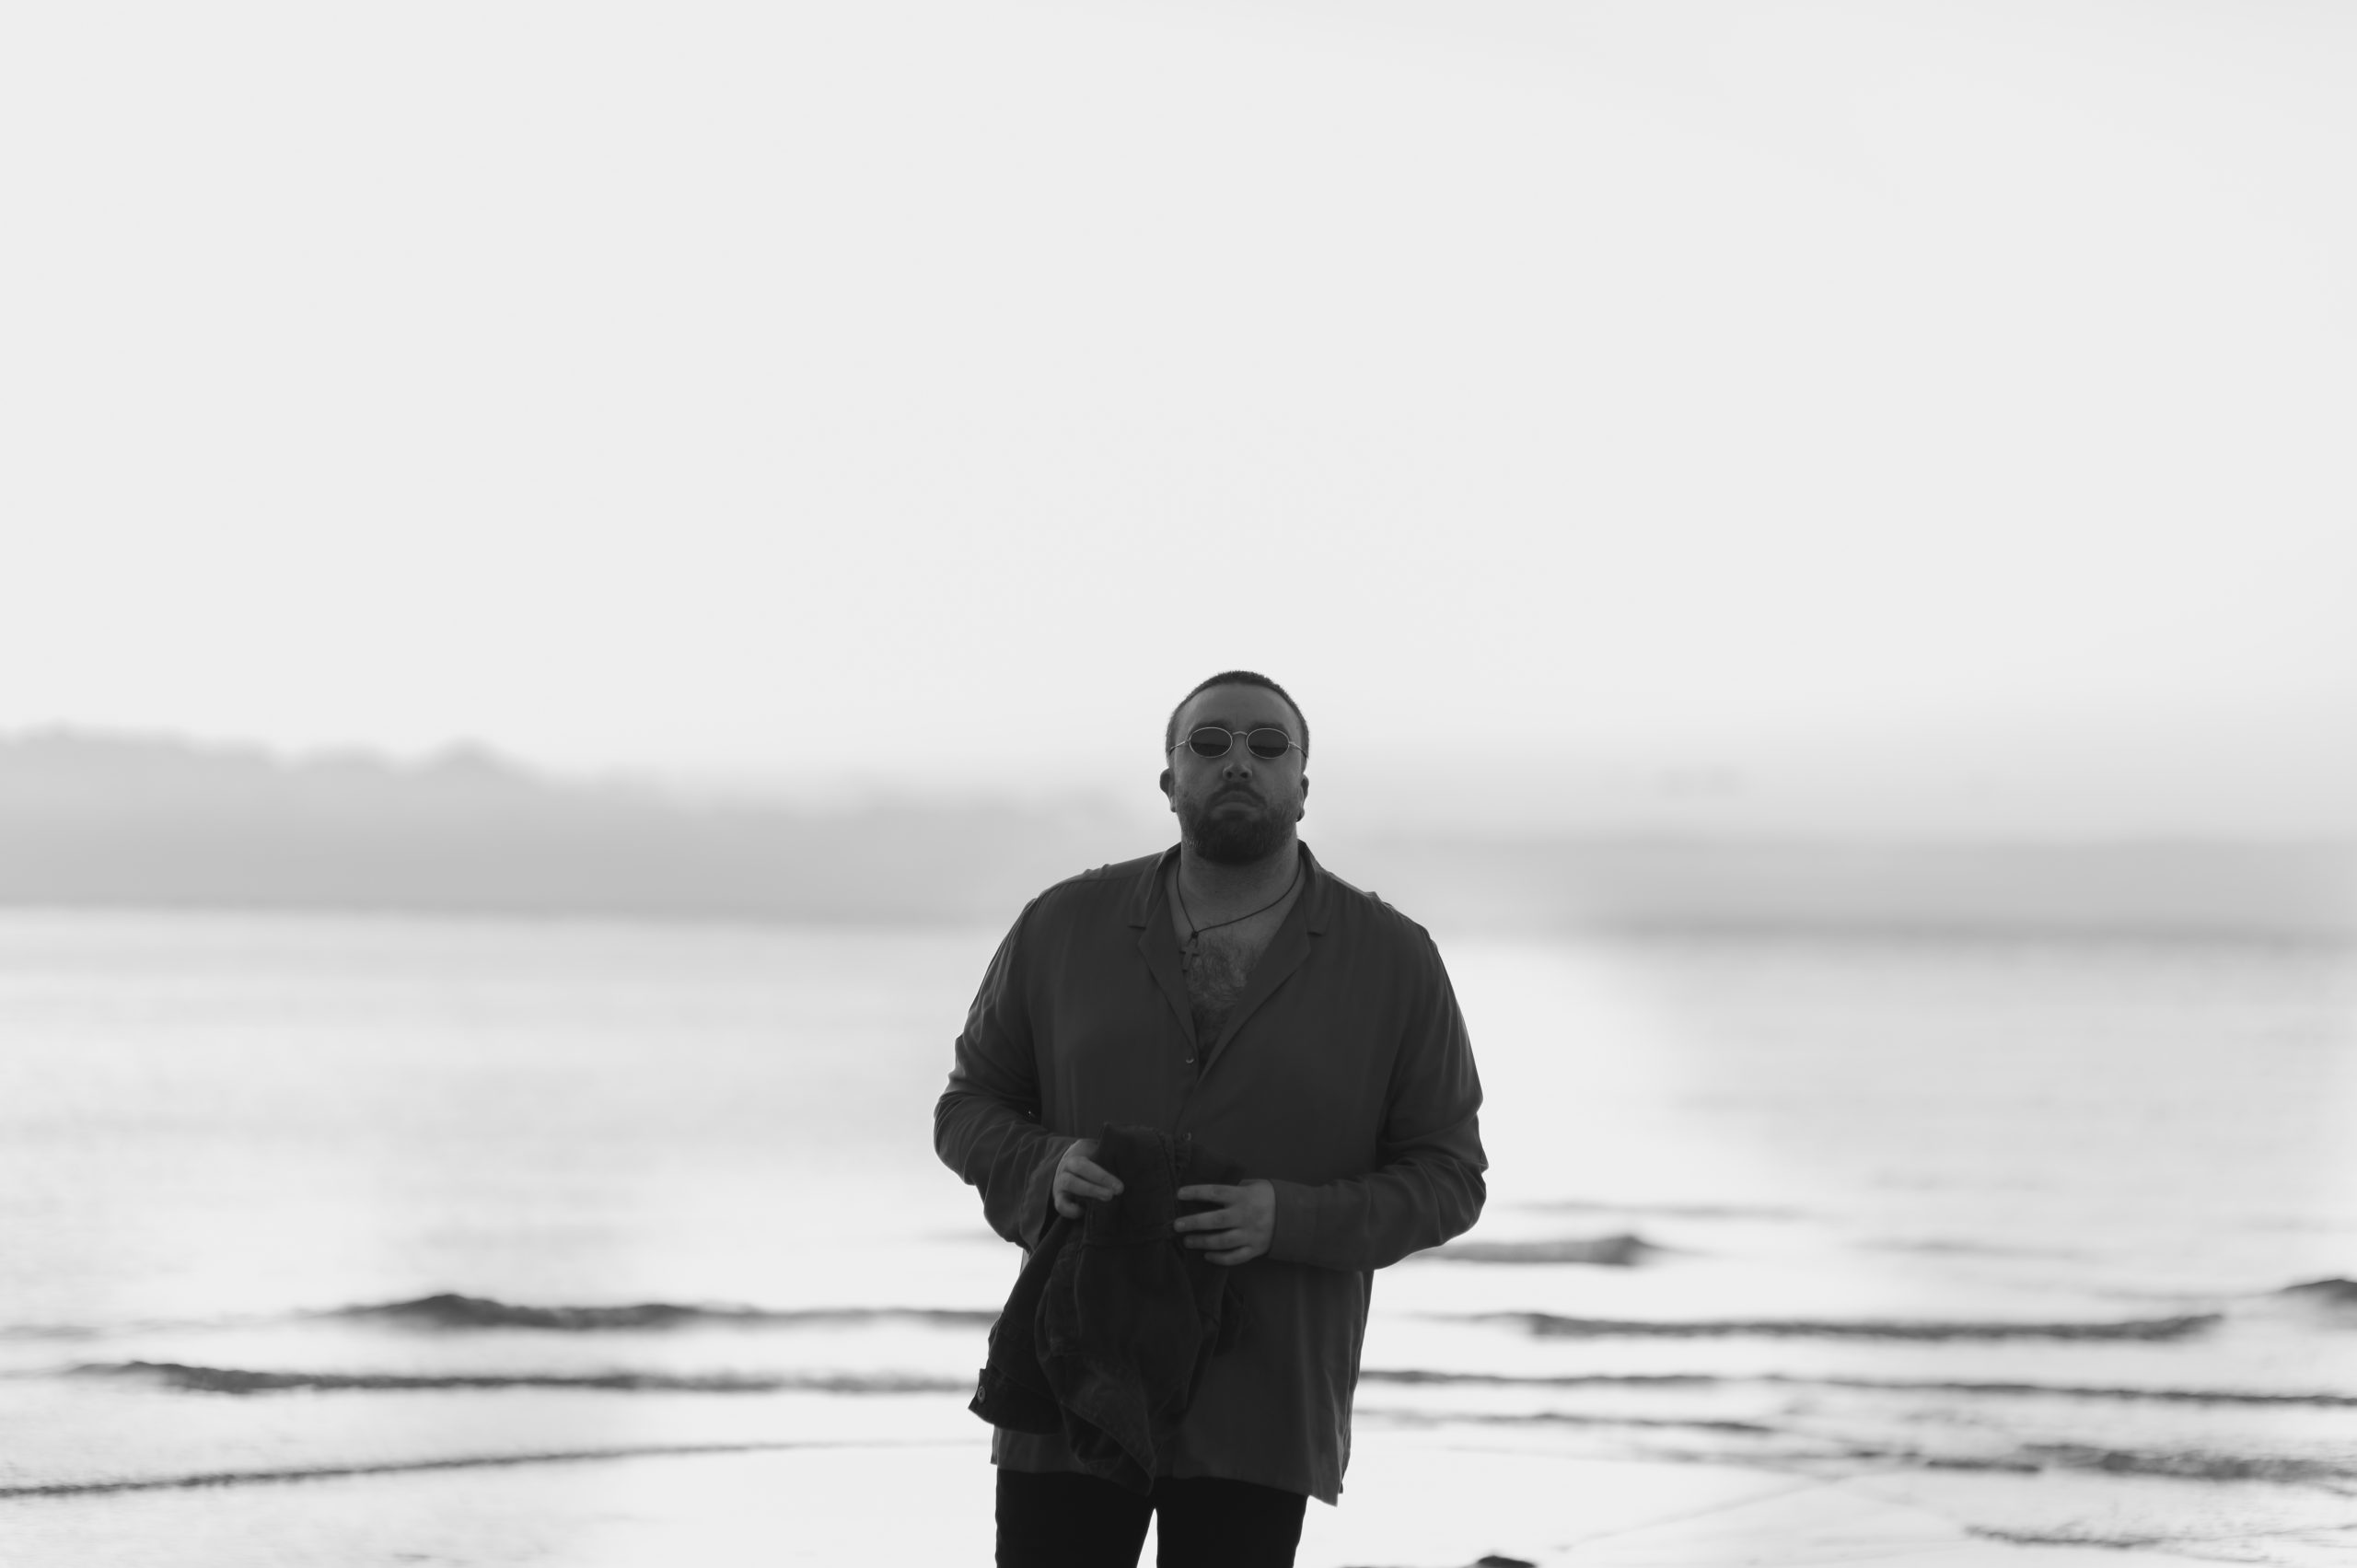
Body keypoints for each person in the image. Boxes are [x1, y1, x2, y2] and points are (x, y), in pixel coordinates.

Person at [935, 670, 1489, 1568]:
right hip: (1073, 1372)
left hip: (1261, 1400)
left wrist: (1286, 1216)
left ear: (1302, 785)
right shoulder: (1062, 924)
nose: (1239, 760)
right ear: (1169, 779)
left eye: (1268, 744)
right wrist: (1046, 1165)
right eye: (1209, 741)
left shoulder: (1394, 958)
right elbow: (969, 1104)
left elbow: (1448, 1175)